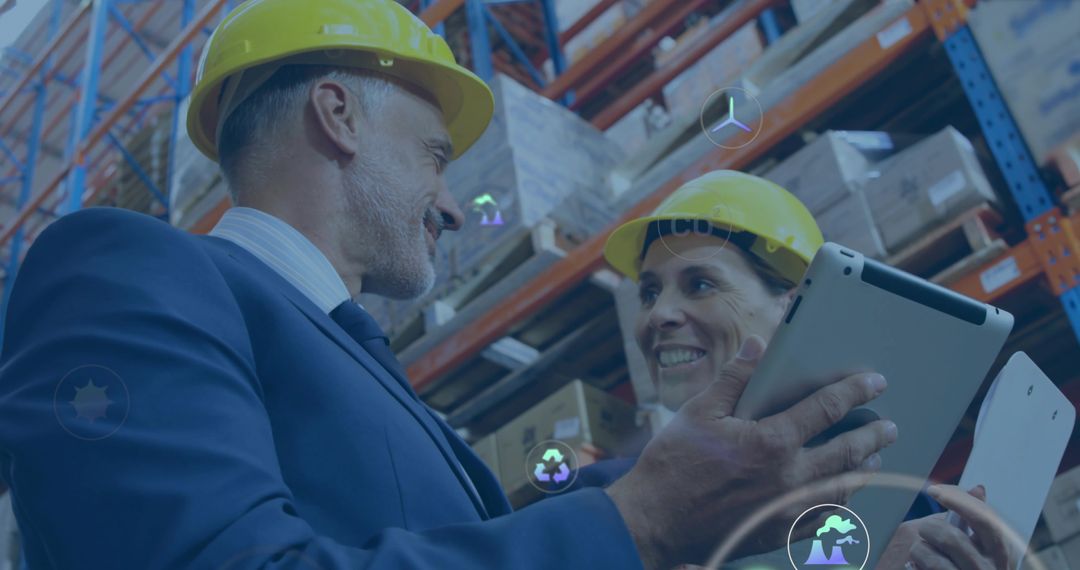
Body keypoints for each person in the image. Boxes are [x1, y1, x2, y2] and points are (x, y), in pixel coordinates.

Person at [0, 2, 894, 568]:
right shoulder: (126, 272)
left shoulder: (359, 371)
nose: (453, 206)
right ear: (338, 115)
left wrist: (721, 485)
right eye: (435, 157)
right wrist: (643, 520)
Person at [602, 170, 1021, 569]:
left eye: (700, 284)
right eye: (650, 293)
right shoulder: (606, 501)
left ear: (793, 306)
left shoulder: (905, 508)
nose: (659, 314)